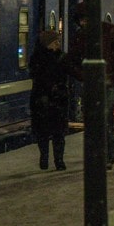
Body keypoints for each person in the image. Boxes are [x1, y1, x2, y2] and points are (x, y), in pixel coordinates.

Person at [66, 2, 114, 170]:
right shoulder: (81, 36)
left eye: (86, 19)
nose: (83, 23)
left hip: (112, 83)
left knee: (104, 120)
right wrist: (83, 76)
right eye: (81, 20)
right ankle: (108, 151)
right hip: (92, 85)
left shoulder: (110, 31)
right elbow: (72, 61)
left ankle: (107, 155)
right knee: (94, 121)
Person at [29, 30, 70, 171]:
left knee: (53, 132)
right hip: (46, 100)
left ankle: (58, 160)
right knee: (48, 132)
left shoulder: (58, 57)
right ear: (47, 44)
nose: (58, 44)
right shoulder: (40, 59)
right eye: (55, 42)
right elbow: (38, 77)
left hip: (49, 99)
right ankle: (46, 158)